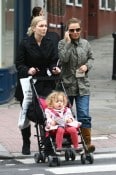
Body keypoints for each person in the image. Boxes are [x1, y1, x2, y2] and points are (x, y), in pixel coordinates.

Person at [15, 16, 61, 155]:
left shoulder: (49, 42)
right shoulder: (25, 43)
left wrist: (55, 68)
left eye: (45, 26)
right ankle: (26, 142)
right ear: (34, 28)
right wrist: (28, 70)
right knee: (28, 113)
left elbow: (53, 60)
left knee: (46, 113)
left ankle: (47, 145)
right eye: (41, 26)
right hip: (28, 83)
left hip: (45, 83)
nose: (44, 28)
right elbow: (19, 64)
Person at [58, 17, 95, 153]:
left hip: (83, 85)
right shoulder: (62, 43)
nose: (75, 32)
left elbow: (91, 57)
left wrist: (87, 66)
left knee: (84, 115)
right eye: (72, 30)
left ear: (81, 30)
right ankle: (68, 142)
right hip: (67, 86)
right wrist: (68, 43)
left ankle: (87, 144)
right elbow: (63, 59)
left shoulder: (85, 44)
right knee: (66, 117)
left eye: (77, 30)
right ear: (68, 31)